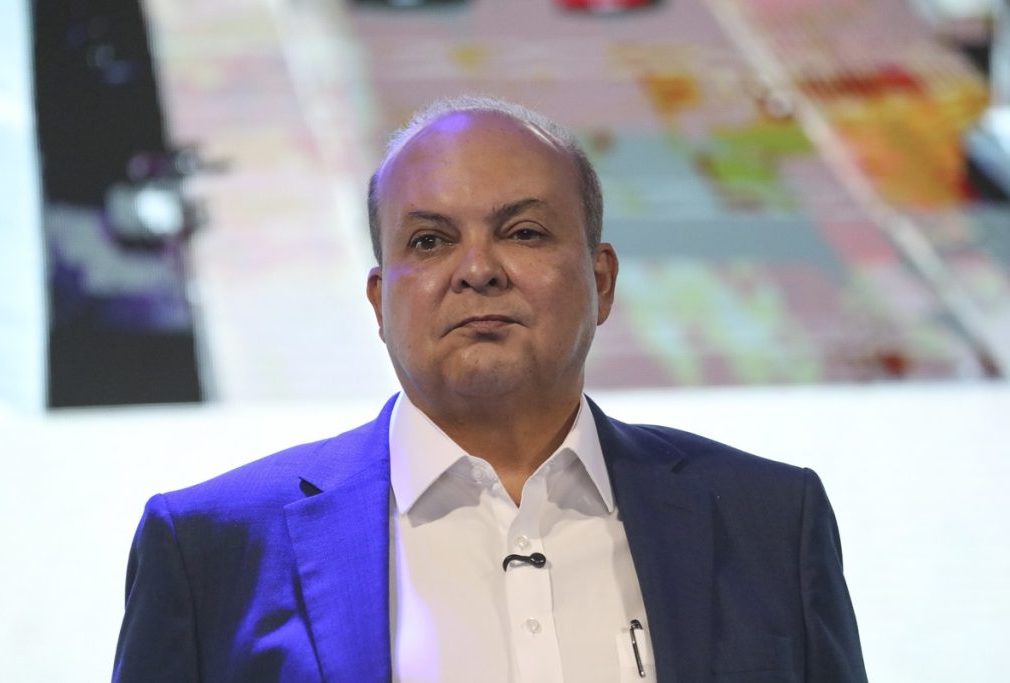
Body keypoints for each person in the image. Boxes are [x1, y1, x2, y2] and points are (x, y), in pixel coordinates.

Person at [113, 96, 868, 682]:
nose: (478, 270)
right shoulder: (211, 547)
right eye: (430, 241)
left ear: (602, 281)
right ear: (379, 302)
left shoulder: (769, 520)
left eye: (524, 232)